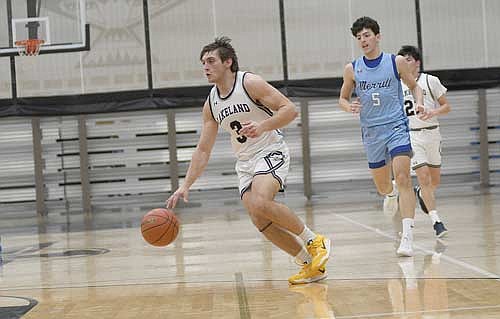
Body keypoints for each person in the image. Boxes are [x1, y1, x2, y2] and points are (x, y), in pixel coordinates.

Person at [166, 37, 331, 284]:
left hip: (270, 150)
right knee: (259, 217)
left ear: (228, 62)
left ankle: (314, 240)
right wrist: (185, 184)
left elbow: (289, 109)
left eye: (211, 61)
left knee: (261, 201)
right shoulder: (211, 103)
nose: (206, 67)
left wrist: (263, 126)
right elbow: (203, 149)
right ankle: (309, 264)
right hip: (244, 162)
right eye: (203, 63)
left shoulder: (249, 83)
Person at [339, 17, 425, 256]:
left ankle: (407, 237)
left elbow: (415, 86)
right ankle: (391, 192)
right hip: (372, 132)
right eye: (359, 37)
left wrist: (418, 103)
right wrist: (349, 107)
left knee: (403, 176)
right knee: (383, 186)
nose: (363, 40)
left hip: (396, 126)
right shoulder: (352, 68)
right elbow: (342, 98)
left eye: (366, 35)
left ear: (378, 36)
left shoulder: (395, 61)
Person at [397, 45, 450, 238]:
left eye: (408, 59)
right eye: (402, 60)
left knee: (434, 181)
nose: (405, 63)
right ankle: (437, 221)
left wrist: (433, 111)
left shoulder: (431, 80)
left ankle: (421, 194)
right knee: (424, 177)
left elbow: (446, 106)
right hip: (412, 135)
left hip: (433, 134)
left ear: (417, 62)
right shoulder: (397, 85)